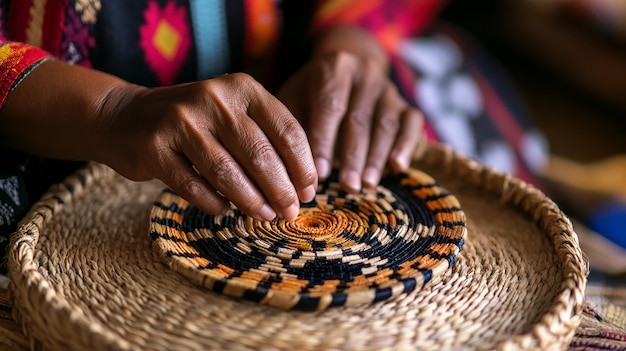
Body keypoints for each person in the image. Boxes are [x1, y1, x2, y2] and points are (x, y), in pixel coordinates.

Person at [0, 0, 547, 267]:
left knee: (429, 97)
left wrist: (353, 48)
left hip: (293, 63)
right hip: (46, 130)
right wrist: (114, 111)